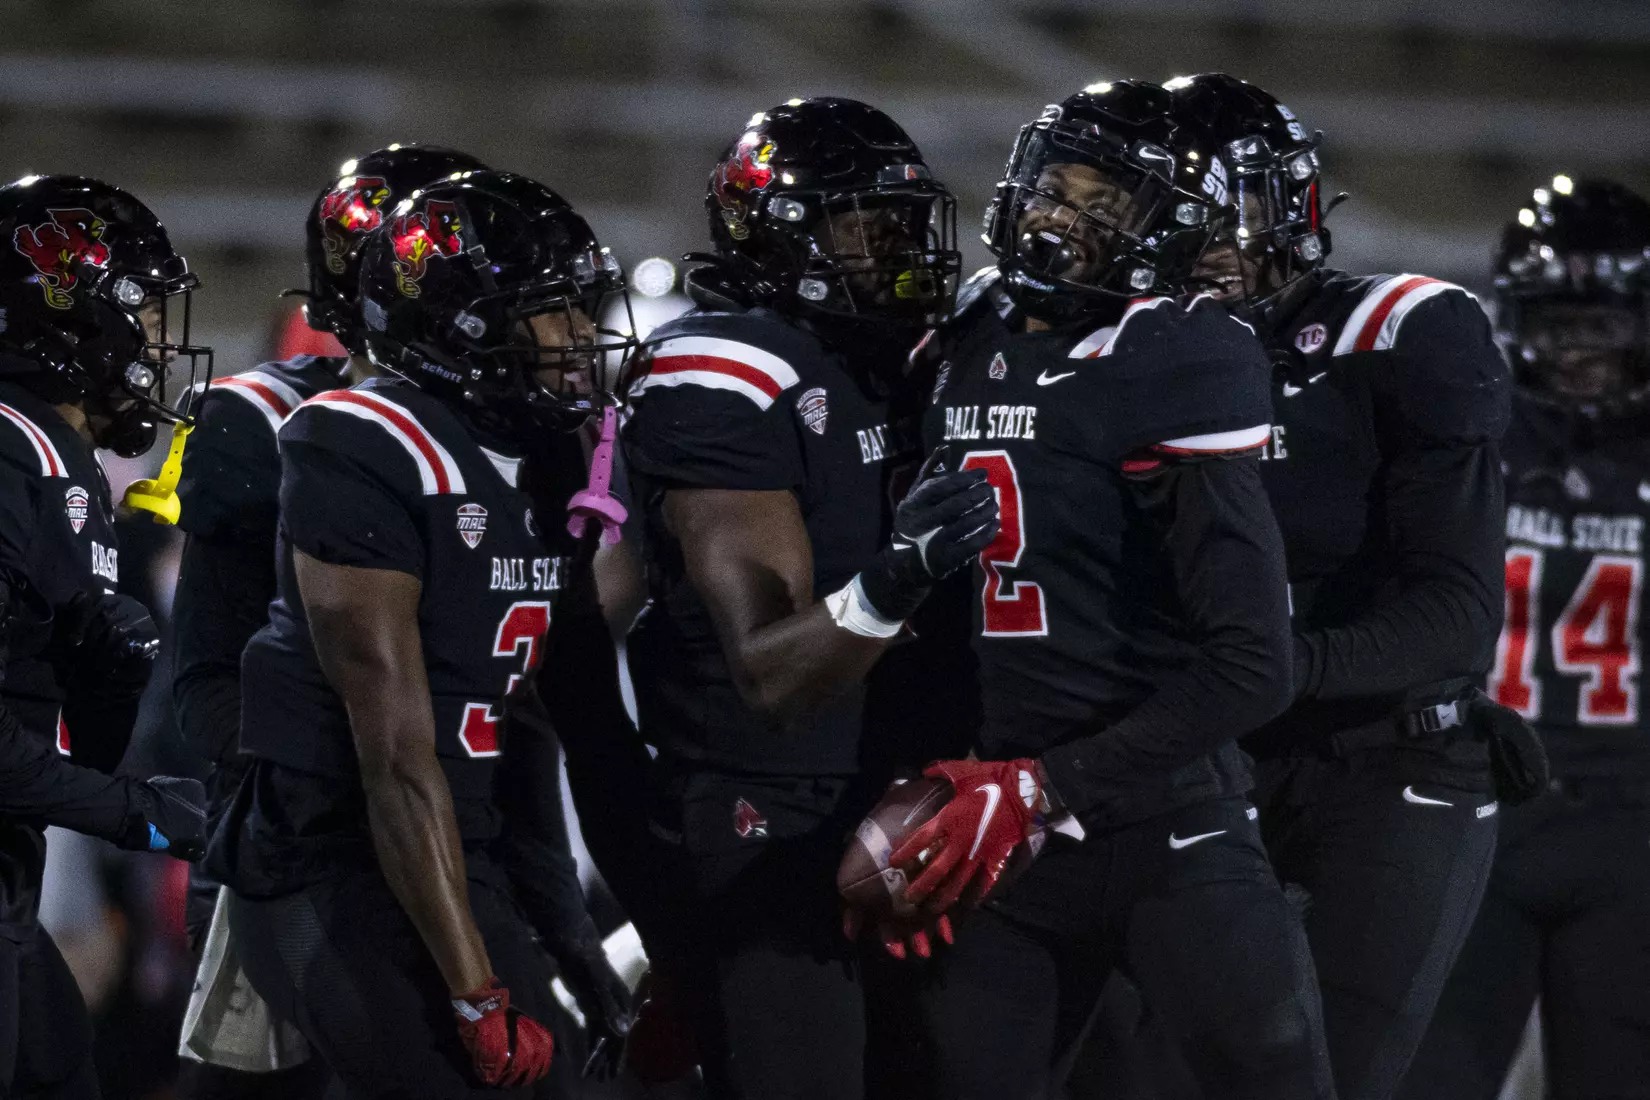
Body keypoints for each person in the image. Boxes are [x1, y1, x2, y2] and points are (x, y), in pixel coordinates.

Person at [864, 79, 1333, 1100]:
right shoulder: (963, 335)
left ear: (1159, 233)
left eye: (1103, 201)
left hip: (1166, 821)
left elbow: (1255, 665)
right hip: (1002, 829)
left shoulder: (1180, 354)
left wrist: (1047, 784)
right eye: (1052, 184)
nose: (1056, 215)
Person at [209, 170, 635, 1098]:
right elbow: (395, 758)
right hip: (335, 863)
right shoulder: (357, 442)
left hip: (463, 849)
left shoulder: (549, 447)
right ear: (461, 328)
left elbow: (539, 733)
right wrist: (476, 991)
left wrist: (570, 935)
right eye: (547, 313)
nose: (577, 338)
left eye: (576, 307)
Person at [620, 96, 992, 1099]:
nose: (898, 246)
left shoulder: (903, 356)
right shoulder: (725, 369)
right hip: (766, 811)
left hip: (902, 794)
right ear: (778, 233)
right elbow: (773, 675)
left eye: (906, 219)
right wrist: (899, 572)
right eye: (863, 222)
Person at [1154, 72, 1511, 1100]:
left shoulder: (1401, 331)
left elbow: (1455, 612)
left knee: (1330, 1078)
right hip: (1204, 755)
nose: (1213, 237)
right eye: (1180, 211)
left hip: (1386, 757)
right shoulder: (1127, 357)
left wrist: (1261, 667)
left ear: (1296, 204)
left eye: (1238, 205)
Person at [171, 144, 487, 1100]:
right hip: (312, 840)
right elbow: (205, 680)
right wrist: (330, 800)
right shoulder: (260, 423)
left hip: (467, 829)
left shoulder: (502, 432)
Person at [1398, 178, 1650, 1100]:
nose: (1580, 349)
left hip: (1632, 824)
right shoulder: (1465, 433)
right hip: (1474, 807)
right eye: (1559, 321)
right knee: (1428, 1076)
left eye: (1605, 323)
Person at [0, 173, 209, 1098]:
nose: (158, 346)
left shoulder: (55, 456)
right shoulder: (16, 456)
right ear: (65, 320)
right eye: (141, 314)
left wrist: (104, 682)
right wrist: (142, 813)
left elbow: (68, 732)